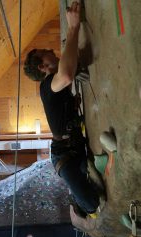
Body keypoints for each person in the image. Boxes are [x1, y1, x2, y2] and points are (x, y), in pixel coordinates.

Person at [23, 1, 100, 218]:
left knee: (89, 177)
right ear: (42, 67)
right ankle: (77, 202)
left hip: (71, 147)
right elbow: (65, 76)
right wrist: (74, 27)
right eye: (45, 53)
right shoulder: (47, 85)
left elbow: (68, 73)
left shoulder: (53, 86)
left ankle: (80, 186)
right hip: (64, 156)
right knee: (91, 204)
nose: (50, 49)